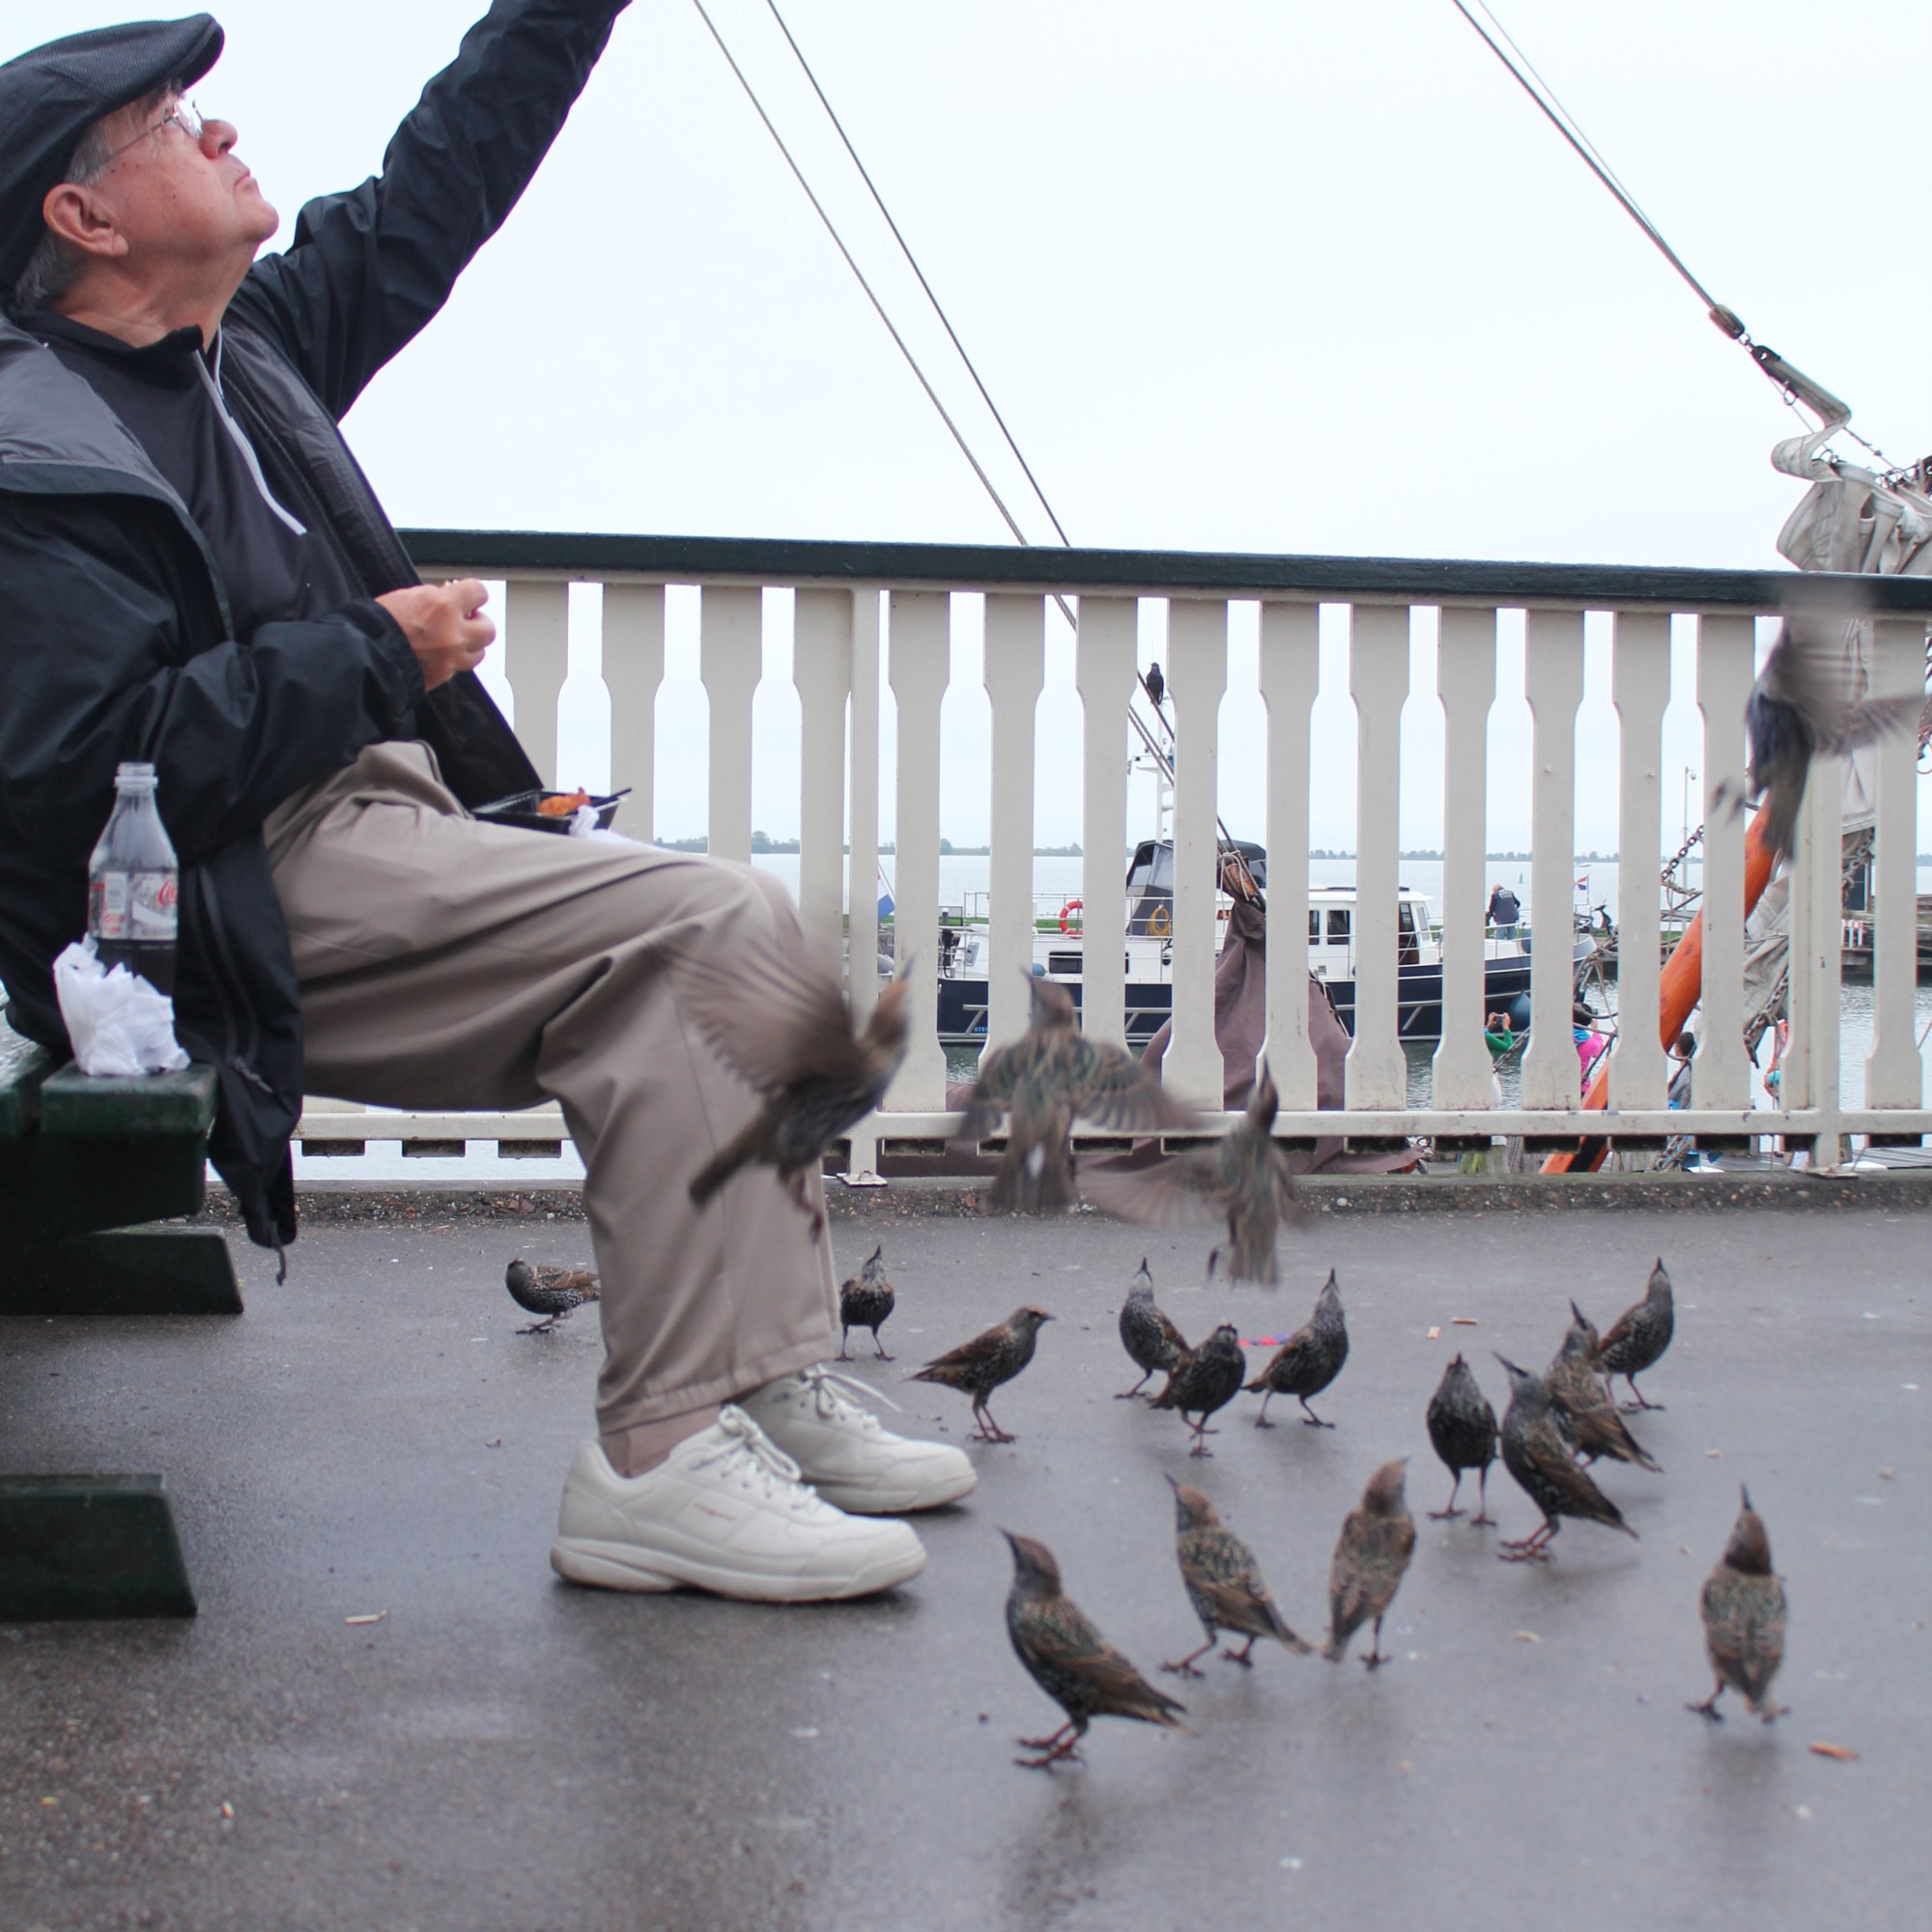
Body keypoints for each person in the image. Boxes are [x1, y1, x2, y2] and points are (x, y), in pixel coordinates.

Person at [0, 7, 974, 1604]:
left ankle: (752, 1376)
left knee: (748, 926)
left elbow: (443, 177)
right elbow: (88, 773)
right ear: (82, 216)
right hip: (210, 888)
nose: (222, 130)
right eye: (172, 122)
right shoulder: (35, 450)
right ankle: (660, 1463)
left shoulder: (245, 355)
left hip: (359, 826)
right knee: (693, 934)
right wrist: (370, 655)